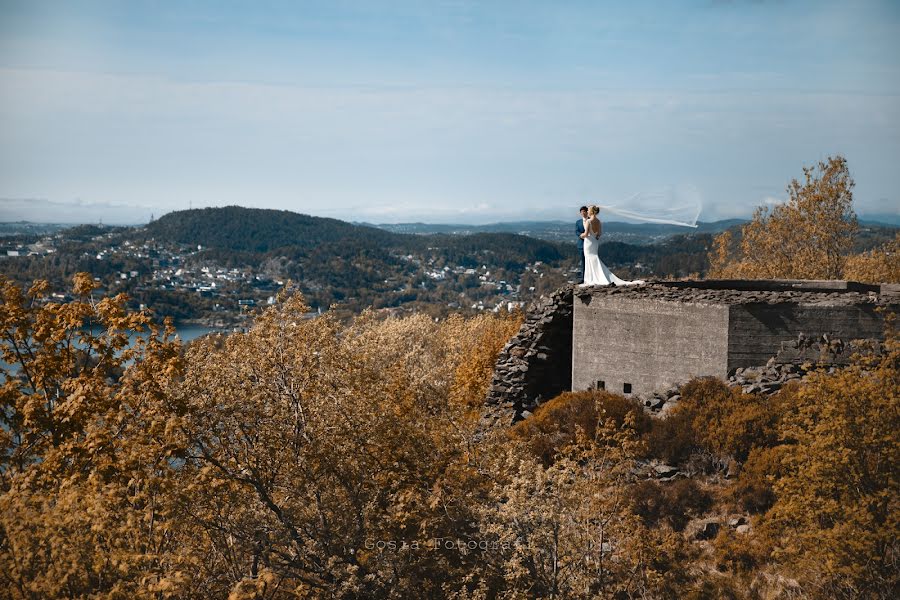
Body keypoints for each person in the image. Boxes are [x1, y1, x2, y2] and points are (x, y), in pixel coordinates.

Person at [580, 205, 644, 287]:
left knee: (589, 258)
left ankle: (590, 278)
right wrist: (594, 236)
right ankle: (596, 276)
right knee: (594, 258)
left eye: (588, 210)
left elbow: (585, 234)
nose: (587, 211)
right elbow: (599, 234)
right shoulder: (598, 221)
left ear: (591, 211)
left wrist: (581, 235)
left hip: (588, 242)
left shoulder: (589, 221)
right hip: (595, 242)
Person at [576, 206, 589, 280]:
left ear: (587, 212)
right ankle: (583, 278)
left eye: (584, 211)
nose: (583, 213)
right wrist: (581, 235)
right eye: (581, 212)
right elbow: (576, 231)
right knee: (583, 262)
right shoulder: (578, 222)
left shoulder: (591, 220)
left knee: (590, 261)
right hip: (581, 244)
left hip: (590, 244)